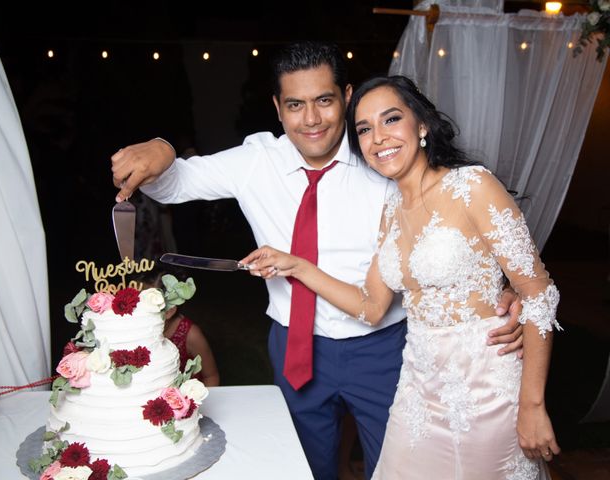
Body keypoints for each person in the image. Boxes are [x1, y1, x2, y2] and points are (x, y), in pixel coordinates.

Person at [110, 42, 522, 480]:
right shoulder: (257, 160)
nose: (311, 119)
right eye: (295, 105)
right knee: (304, 465)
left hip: (383, 345)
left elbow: (449, 227)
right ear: (278, 107)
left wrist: (503, 291)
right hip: (295, 345)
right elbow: (175, 186)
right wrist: (162, 148)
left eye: (324, 101)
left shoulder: (380, 157)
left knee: (396, 464)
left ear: (346, 97)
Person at [240, 74, 562, 479]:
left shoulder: (472, 186)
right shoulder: (392, 209)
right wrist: (297, 266)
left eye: (391, 120)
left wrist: (532, 406)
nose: (378, 138)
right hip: (417, 392)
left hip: (484, 391)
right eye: (364, 129)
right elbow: (371, 306)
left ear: (422, 124)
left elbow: (538, 291)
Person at [138, 271, 220, 387]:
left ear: (169, 311)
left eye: (147, 304)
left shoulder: (191, 335)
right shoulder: (134, 328)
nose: (138, 309)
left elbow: (211, 376)